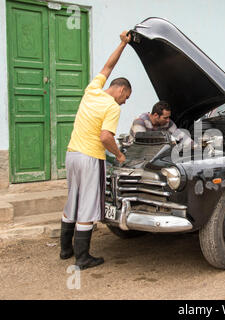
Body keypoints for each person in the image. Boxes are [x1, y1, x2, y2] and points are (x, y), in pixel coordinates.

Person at [59, 30, 132, 270]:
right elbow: (105, 137)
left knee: (73, 199)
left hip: (72, 154)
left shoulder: (92, 90)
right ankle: (82, 258)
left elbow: (108, 66)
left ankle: (65, 250)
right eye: (126, 97)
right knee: (88, 205)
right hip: (90, 157)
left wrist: (122, 43)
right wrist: (119, 155)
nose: (125, 101)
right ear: (120, 90)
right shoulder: (112, 107)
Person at [129, 101, 193, 146]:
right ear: (156, 115)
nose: (168, 120)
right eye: (165, 118)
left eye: (168, 117)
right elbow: (141, 143)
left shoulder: (167, 123)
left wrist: (195, 146)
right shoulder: (140, 121)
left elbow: (180, 136)